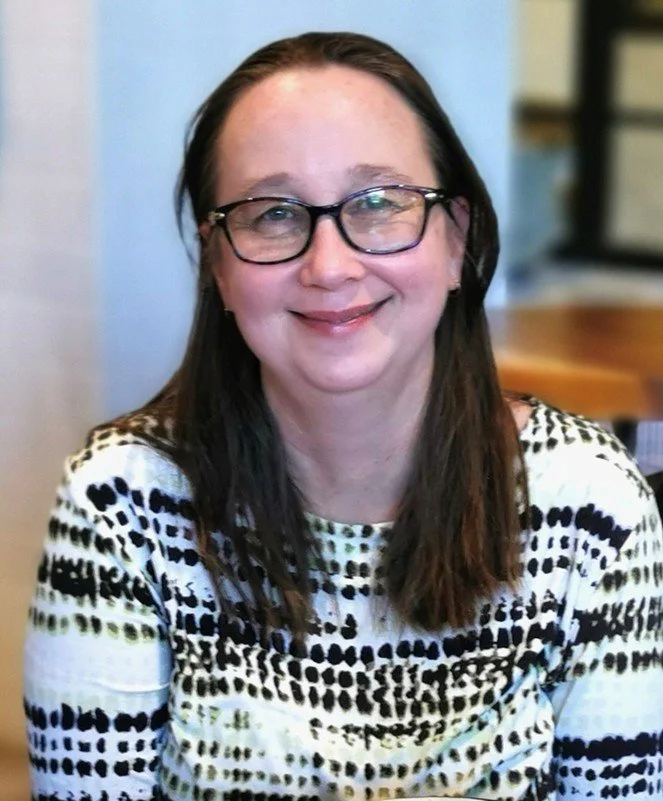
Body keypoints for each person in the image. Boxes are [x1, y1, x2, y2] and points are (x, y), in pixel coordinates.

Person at [24, 31, 662, 801]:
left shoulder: (591, 501)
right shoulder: (120, 500)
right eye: (272, 214)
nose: (329, 265)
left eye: (380, 202)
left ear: (455, 237)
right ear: (217, 264)